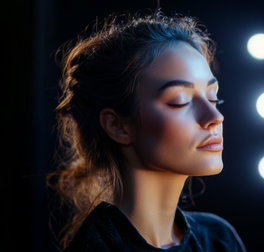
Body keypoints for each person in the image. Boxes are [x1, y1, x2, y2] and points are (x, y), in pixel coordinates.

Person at [47, 10, 246, 252]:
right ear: (117, 126)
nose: (215, 117)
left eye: (213, 98)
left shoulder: (218, 240)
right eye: (180, 101)